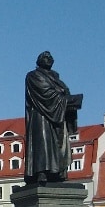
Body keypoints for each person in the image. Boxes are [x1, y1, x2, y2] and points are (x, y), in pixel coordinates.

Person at [24, 51, 80, 185]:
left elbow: (61, 93)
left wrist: (67, 101)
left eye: (50, 57)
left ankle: (58, 172)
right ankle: (41, 171)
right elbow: (45, 93)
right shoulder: (33, 75)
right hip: (41, 116)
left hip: (58, 116)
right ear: (38, 61)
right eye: (45, 57)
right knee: (43, 143)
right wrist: (68, 100)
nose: (48, 59)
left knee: (60, 143)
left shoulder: (56, 77)